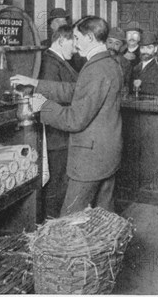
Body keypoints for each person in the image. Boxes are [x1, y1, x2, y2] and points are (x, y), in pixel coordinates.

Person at [11, 16, 124, 215]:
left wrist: (43, 106)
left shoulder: (95, 69)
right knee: (104, 221)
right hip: (107, 153)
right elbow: (77, 90)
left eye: (78, 38)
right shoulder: (109, 62)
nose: (76, 43)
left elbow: (75, 120)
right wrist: (37, 83)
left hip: (90, 157)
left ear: (89, 37)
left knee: (70, 221)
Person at [38, 24, 78, 218]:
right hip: (56, 136)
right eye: (74, 42)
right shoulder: (50, 62)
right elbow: (50, 97)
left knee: (61, 181)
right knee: (56, 184)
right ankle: (52, 224)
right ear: (61, 40)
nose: (76, 47)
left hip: (62, 133)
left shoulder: (59, 61)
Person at [41, 8, 86, 72]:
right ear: (51, 25)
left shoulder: (75, 44)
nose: (61, 24)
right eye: (57, 21)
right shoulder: (43, 45)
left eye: (64, 21)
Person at [130, 31, 158, 96]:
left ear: (155, 49)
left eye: (149, 48)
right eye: (142, 47)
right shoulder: (136, 67)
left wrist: (141, 85)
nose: (145, 51)